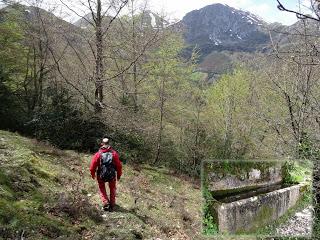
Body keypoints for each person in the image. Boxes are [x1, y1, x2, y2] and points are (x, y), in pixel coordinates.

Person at [90, 137, 122, 212]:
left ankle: (105, 202)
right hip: (112, 175)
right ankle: (112, 204)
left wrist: (92, 174)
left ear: (102, 144)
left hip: (101, 175)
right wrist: (119, 175)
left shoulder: (98, 154)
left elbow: (92, 166)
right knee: (112, 188)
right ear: (109, 143)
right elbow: (119, 166)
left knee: (102, 187)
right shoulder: (114, 153)